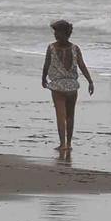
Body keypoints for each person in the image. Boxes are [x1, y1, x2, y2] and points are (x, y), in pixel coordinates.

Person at [41, 19, 94, 154]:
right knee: (70, 116)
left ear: (64, 32)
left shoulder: (51, 47)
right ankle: (68, 143)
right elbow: (82, 65)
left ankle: (63, 144)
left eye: (57, 32)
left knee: (61, 116)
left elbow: (47, 64)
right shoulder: (75, 48)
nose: (55, 35)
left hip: (58, 86)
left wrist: (43, 78)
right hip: (72, 86)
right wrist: (90, 81)